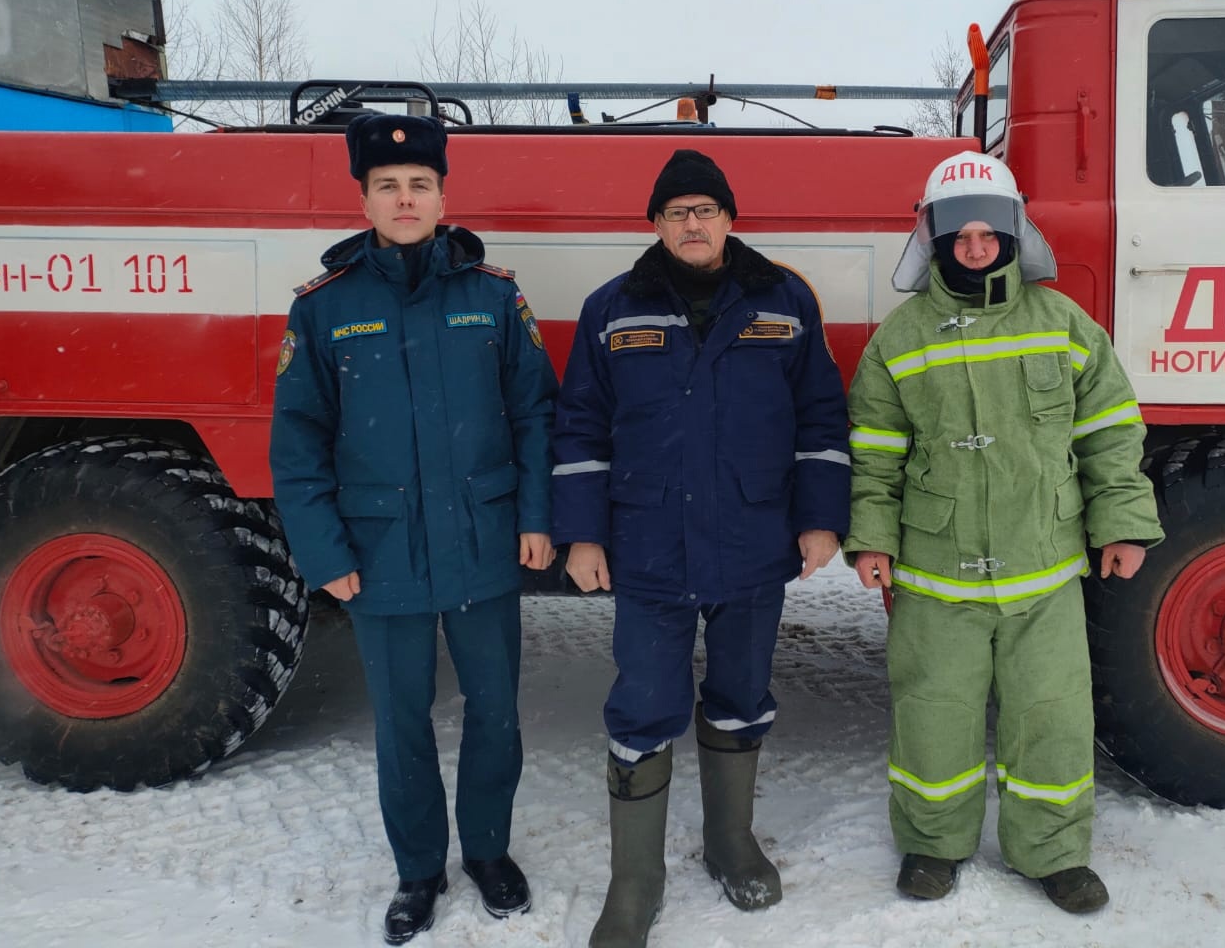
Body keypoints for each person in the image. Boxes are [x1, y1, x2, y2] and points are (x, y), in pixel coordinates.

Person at [844, 150, 1163, 915]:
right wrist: (874, 539)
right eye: (960, 233)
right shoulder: (899, 338)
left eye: (991, 231)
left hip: (1044, 569)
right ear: (934, 238)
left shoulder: (1064, 325)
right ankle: (932, 844)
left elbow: (1112, 433)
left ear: (1016, 233)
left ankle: (1052, 853)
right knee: (933, 713)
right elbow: (875, 453)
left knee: (1051, 716)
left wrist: (1121, 522)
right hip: (933, 572)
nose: (977, 246)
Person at [270, 112, 557, 945]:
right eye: (388, 186)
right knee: (401, 721)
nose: (405, 198)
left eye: (419, 185)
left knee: (495, 710)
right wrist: (322, 551)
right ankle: (420, 869)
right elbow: (298, 442)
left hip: (483, 540)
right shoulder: (325, 308)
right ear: (364, 198)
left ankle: (490, 855)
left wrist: (537, 518)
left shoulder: (492, 294)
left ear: (443, 195)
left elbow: (537, 414)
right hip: (378, 551)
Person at [552, 148, 851, 948]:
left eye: (706, 210)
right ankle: (636, 882)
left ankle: (730, 844)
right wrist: (581, 532)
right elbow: (580, 424)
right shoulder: (611, 309)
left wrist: (822, 519)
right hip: (646, 543)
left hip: (754, 540)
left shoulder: (784, 301)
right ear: (654, 224)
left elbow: (821, 416)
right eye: (677, 211)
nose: (693, 223)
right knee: (643, 706)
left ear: (729, 220)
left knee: (742, 695)